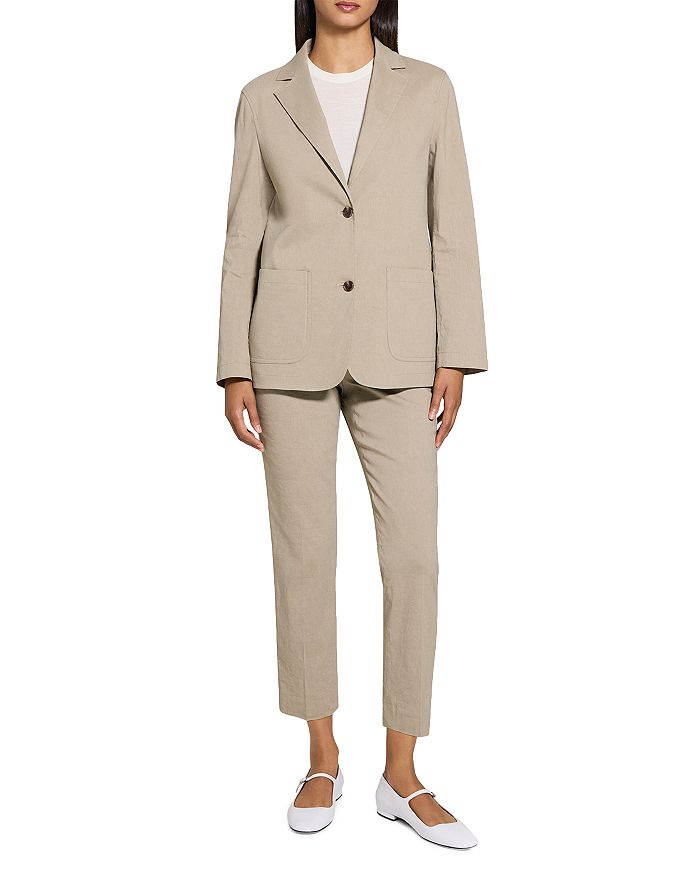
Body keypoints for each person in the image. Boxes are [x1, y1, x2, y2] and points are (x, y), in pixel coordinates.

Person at [217, 0, 486, 848]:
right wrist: (233, 363)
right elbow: (242, 236)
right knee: (304, 555)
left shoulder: (429, 89)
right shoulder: (264, 97)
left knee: (413, 558)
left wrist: (457, 351)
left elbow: (453, 227)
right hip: (286, 347)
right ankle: (322, 755)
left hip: (401, 348)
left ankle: (401, 774)